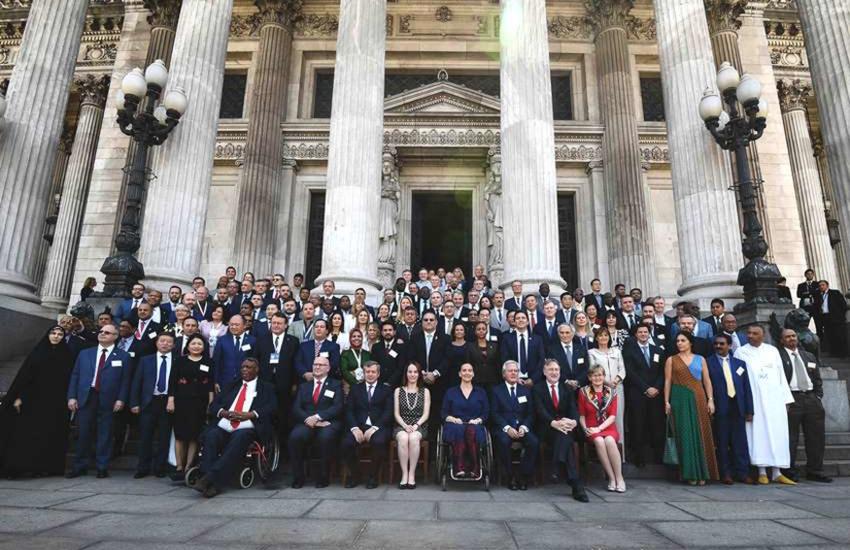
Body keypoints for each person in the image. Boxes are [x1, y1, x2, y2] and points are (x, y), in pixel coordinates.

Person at [194, 358, 277, 498]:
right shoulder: (231, 385)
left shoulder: (266, 387)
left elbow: (272, 407)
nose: (244, 370)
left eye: (249, 367)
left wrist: (251, 414)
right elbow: (214, 405)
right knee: (211, 435)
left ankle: (209, 479)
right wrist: (224, 413)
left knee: (240, 437)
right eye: (243, 367)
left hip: (247, 425)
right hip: (225, 423)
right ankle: (209, 480)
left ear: (257, 370)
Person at [0, 325, 73, 477]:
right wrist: (19, 397)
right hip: (33, 401)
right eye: (53, 333)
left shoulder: (66, 355)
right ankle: (25, 467)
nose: (56, 336)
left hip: (55, 403)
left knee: (49, 434)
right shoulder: (37, 354)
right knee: (29, 433)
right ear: (47, 335)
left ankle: (46, 467)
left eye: (60, 334)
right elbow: (25, 378)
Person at [66, 323, 131, 478]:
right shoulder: (85, 353)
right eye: (101, 331)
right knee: (83, 433)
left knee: (105, 434)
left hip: (109, 399)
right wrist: (72, 396)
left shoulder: (123, 356)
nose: (102, 334)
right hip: (86, 397)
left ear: (115, 336)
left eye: (107, 332)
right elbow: (75, 375)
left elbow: (125, 381)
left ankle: (102, 466)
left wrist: (121, 399)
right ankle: (80, 466)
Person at [735, 325, 796, 485]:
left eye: (755, 333)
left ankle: (777, 472)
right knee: (758, 434)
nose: (750, 336)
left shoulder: (772, 351)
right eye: (748, 333)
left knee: (777, 433)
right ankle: (762, 471)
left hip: (775, 400)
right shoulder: (741, 352)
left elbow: (781, 375)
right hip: (755, 400)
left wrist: (786, 399)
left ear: (762, 335)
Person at [664, 332, 718, 485]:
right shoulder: (671, 360)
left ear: (690, 342)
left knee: (701, 432)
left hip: (698, 397)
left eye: (683, 340)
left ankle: (703, 473)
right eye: (678, 341)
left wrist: (710, 400)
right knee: (685, 434)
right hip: (679, 398)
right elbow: (667, 381)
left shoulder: (701, 359)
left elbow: (707, 381)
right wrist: (666, 401)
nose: (679, 343)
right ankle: (689, 473)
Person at [777, 328, 831, 482]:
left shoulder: (809, 356)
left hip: (811, 398)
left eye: (793, 336)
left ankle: (815, 470)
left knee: (816, 437)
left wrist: (818, 395)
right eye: (787, 337)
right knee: (790, 437)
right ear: (782, 340)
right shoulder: (778, 357)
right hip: (791, 399)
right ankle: (788, 470)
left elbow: (817, 379)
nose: (791, 339)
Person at [534, 359, 588, 502]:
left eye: (556, 369)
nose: (554, 372)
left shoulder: (567, 388)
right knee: (567, 441)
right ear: (544, 372)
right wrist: (554, 423)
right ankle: (575, 483)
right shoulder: (538, 388)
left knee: (565, 435)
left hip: (566, 427)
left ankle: (558, 467)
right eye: (551, 369)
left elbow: (574, 409)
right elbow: (540, 411)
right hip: (547, 428)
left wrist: (573, 421)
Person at [289, 355, 343, 488]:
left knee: (325, 438)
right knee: (295, 437)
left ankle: (323, 477)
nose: (317, 367)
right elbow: (296, 407)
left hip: (328, 422)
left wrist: (318, 417)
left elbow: (338, 407)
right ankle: (298, 477)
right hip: (306, 421)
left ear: (328, 368)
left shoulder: (335, 384)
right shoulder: (304, 386)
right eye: (315, 364)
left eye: (321, 365)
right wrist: (309, 419)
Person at [707, 333, 754, 484]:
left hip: (738, 407)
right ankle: (725, 473)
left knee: (740, 442)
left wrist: (749, 410)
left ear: (729, 345)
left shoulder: (740, 364)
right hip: (720, 408)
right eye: (716, 344)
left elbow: (746, 388)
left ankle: (743, 472)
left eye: (721, 344)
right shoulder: (708, 363)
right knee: (722, 442)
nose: (718, 346)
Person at [168, 333, 215, 482]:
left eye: (199, 344)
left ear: (204, 347)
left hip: (199, 403)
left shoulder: (209, 362)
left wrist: (210, 404)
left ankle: (189, 466)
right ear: (188, 346)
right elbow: (172, 382)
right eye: (193, 344)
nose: (196, 346)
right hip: (181, 401)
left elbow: (210, 385)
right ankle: (179, 466)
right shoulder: (180, 361)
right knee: (180, 435)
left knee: (194, 435)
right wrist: (171, 400)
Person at [130, 332, 177, 478]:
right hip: (148, 402)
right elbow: (137, 382)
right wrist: (134, 402)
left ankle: (160, 467)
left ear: (174, 345)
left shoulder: (178, 361)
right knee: (145, 436)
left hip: (167, 402)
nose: (165, 344)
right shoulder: (146, 360)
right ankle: (142, 467)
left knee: (164, 436)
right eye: (162, 341)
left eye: (169, 342)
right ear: (156, 343)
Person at [341, 361, 393, 488]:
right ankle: (355, 475)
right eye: (367, 372)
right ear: (363, 373)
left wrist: (375, 428)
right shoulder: (355, 389)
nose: (370, 374)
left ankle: (373, 476)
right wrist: (354, 428)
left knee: (379, 442)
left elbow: (388, 411)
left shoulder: (386, 389)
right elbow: (349, 410)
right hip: (358, 426)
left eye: (373, 372)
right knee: (346, 443)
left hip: (378, 426)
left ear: (378, 373)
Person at [490, 360, 538, 490]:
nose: (513, 373)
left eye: (516, 371)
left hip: (522, 428)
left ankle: (523, 475)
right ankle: (510, 476)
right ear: (504, 374)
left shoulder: (526, 391)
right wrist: (507, 428)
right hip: (504, 428)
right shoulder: (496, 391)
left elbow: (531, 413)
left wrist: (524, 427)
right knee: (503, 442)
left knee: (533, 443)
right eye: (510, 371)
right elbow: (494, 413)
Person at [623, 324, 666, 466]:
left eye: (645, 332)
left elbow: (662, 372)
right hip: (638, 393)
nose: (643, 334)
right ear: (635, 334)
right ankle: (639, 458)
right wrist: (646, 388)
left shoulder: (657, 350)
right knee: (638, 425)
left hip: (656, 394)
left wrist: (656, 387)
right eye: (640, 332)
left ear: (649, 333)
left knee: (657, 425)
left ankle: (658, 457)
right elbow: (630, 373)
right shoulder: (629, 351)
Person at [578, 364, 624, 492]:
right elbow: (581, 415)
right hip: (591, 428)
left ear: (604, 377)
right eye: (594, 375)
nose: (597, 378)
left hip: (608, 427)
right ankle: (611, 478)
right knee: (599, 440)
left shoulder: (612, 392)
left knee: (609, 440)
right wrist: (585, 428)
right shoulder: (583, 392)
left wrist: (600, 429)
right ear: (589, 377)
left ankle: (619, 478)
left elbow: (613, 416)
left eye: (600, 375)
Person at [256, 313, 299, 446]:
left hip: (285, 385)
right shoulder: (261, 340)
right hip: (265, 384)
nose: (276, 325)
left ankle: (282, 448)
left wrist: (295, 384)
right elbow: (256, 361)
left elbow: (296, 364)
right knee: (266, 416)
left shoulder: (293, 341)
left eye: (279, 323)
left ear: (286, 325)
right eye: (274, 323)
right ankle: (266, 446)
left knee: (283, 416)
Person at [441, 363, 489, 478]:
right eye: (464, 370)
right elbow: (443, 413)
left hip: (475, 425)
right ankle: (458, 467)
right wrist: (452, 419)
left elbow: (486, 413)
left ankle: (475, 467)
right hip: (455, 424)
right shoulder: (451, 392)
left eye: (469, 370)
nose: (467, 373)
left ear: (473, 374)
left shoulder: (481, 392)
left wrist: (478, 420)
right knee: (459, 430)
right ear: (459, 374)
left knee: (471, 430)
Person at [587, 326, 626, 453]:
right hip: (600, 388)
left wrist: (616, 380)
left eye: (606, 335)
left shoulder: (616, 351)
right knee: (602, 418)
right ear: (596, 338)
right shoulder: (592, 352)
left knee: (618, 418)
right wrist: (606, 382)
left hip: (617, 387)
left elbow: (622, 369)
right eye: (600, 335)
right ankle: (605, 452)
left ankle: (621, 454)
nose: (603, 338)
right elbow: (593, 370)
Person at [394, 362, 430, 489]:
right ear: (406, 373)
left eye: (415, 372)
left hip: (419, 425)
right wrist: (405, 425)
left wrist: (416, 425)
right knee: (403, 438)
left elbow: (426, 414)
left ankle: (412, 474)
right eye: (410, 372)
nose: (412, 374)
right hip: (401, 424)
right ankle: (404, 474)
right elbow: (396, 414)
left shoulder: (425, 391)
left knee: (414, 438)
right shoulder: (398, 390)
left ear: (419, 374)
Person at [212, 314, 256, 391]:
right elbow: (216, 362)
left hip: (246, 381)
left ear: (245, 325)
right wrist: (216, 381)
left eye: (237, 325)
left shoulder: (252, 341)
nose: (233, 327)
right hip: (225, 381)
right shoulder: (222, 340)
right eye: (231, 324)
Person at [500, 310, 545, 384]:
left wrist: (533, 379)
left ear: (527, 322)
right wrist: (516, 378)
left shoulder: (537, 339)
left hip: (534, 381)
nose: (520, 320)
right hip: (514, 380)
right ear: (514, 322)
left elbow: (541, 360)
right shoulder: (507, 338)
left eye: (523, 318)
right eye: (518, 318)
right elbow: (505, 359)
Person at [548, 323, 589, 389]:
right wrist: (566, 381)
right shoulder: (552, 350)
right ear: (558, 334)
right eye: (562, 333)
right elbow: (551, 369)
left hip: (580, 387)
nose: (564, 335)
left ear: (572, 334)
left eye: (567, 332)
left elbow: (586, 368)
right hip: (561, 387)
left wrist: (577, 382)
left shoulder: (581, 349)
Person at [814, 280, 848, 356]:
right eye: (819, 286)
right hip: (825, 317)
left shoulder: (835, 293)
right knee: (830, 335)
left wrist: (841, 316)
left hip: (836, 318)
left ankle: (843, 352)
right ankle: (834, 352)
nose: (821, 287)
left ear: (827, 285)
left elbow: (843, 305)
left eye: (823, 285)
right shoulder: (819, 295)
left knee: (839, 335)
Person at [370, 321, 407, 387]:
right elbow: (374, 365)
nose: (387, 332)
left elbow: (401, 367)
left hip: (396, 384)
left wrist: (390, 382)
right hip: (379, 384)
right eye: (385, 330)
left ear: (394, 332)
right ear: (381, 332)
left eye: (390, 330)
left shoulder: (401, 347)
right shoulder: (376, 347)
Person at [469, 321, 501, 387]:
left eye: (483, 329)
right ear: (475, 331)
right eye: (479, 329)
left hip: (492, 380)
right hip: (476, 380)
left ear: (486, 331)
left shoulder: (495, 346)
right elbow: (468, 363)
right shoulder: (470, 346)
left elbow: (498, 364)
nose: (481, 331)